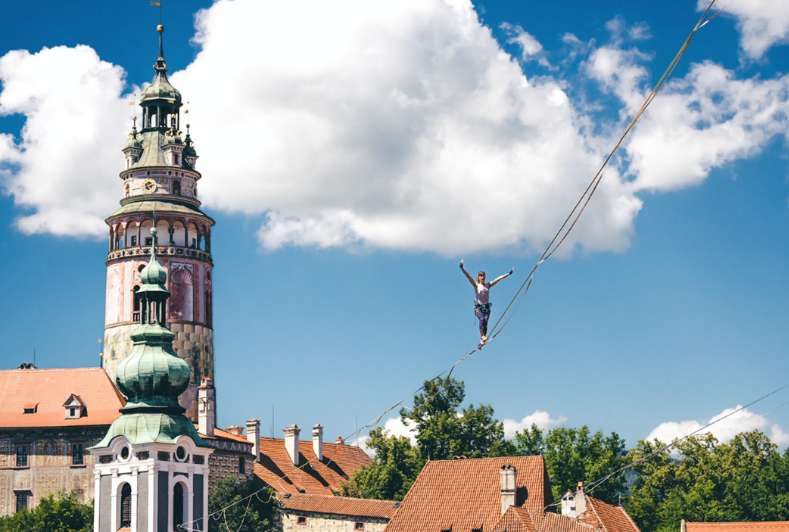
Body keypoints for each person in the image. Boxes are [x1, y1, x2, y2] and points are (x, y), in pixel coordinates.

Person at [459, 260, 514, 347]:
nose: (482, 277)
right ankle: (483, 336)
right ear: (478, 277)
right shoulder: (476, 285)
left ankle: (482, 339)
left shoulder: (488, 285)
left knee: (486, 324)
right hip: (479, 309)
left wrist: (508, 273)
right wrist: (462, 268)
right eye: (480, 275)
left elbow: (498, 279)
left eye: (483, 275)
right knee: (482, 320)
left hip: (487, 308)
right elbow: (468, 276)